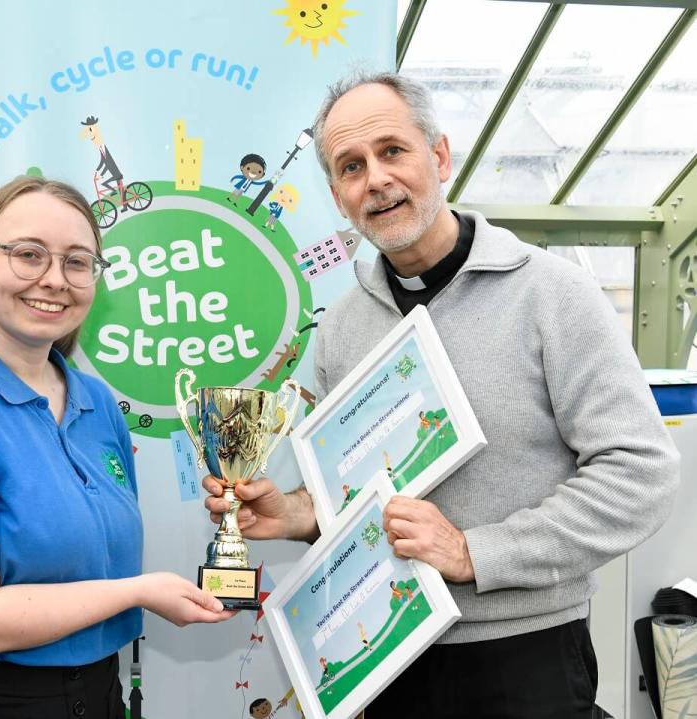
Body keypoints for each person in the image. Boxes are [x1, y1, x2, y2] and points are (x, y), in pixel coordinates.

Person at [204, 72, 680, 718]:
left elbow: (641, 473)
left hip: (526, 657)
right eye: (350, 166)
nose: (375, 178)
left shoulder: (553, 294)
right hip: (388, 660)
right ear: (339, 199)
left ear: (440, 156)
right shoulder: (342, 325)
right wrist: (294, 514)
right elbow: (360, 493)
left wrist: (474, 552)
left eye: (392, 151)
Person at [0, 176, 231, 718]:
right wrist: (138, 591)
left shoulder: (96, 402)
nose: (55, 280)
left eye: (77, 262)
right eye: (28, 255)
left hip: (93, 695)